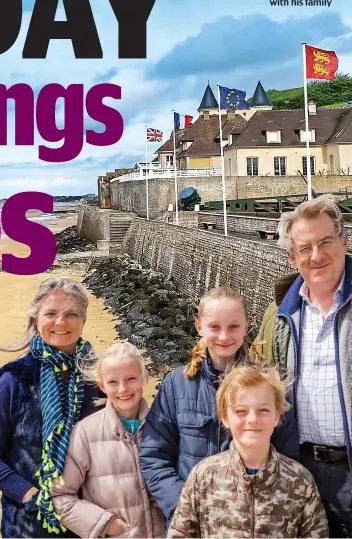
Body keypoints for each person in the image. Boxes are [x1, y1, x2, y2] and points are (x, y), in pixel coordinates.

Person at [139, 286, 299, 530]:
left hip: (249, 524)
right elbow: (154, 454)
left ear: (246, 328)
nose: (224, 337)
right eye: (214, 327)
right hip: (190, 523)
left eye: (234, 327)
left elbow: (288, 458)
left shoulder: (269, 384)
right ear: (199, 326)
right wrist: (182, 504)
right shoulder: (177, 383)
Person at [253, 195, 351, 537]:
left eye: (325, 242)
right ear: (292, 257)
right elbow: (254, 378)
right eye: (305, 247)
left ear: (344, 240)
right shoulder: (278, 316)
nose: (317, 255)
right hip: (296, 470)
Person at [0, 278, 104, 538]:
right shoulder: (16, 379)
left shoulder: (100, 378)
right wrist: (33, 498)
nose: (61, 322)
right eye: (51, 314)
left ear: (83, 321)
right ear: (37, 319)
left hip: (92, 521)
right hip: (30, 525)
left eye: (71, 314)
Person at [167, 364, 328, 538]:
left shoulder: (300, 480)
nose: (252, 419)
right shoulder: (203, 476)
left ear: (277, 416)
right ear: (224, 417)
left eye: (263, 410)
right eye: (241, 411)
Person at [50, 342, 165, 538]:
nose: (123, 389)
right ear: (102, 385)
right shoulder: (85, 433)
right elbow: (59, 496)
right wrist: (106, 524)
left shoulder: (165, 427)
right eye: (113, 382)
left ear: (144, 378)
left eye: (131, 379)